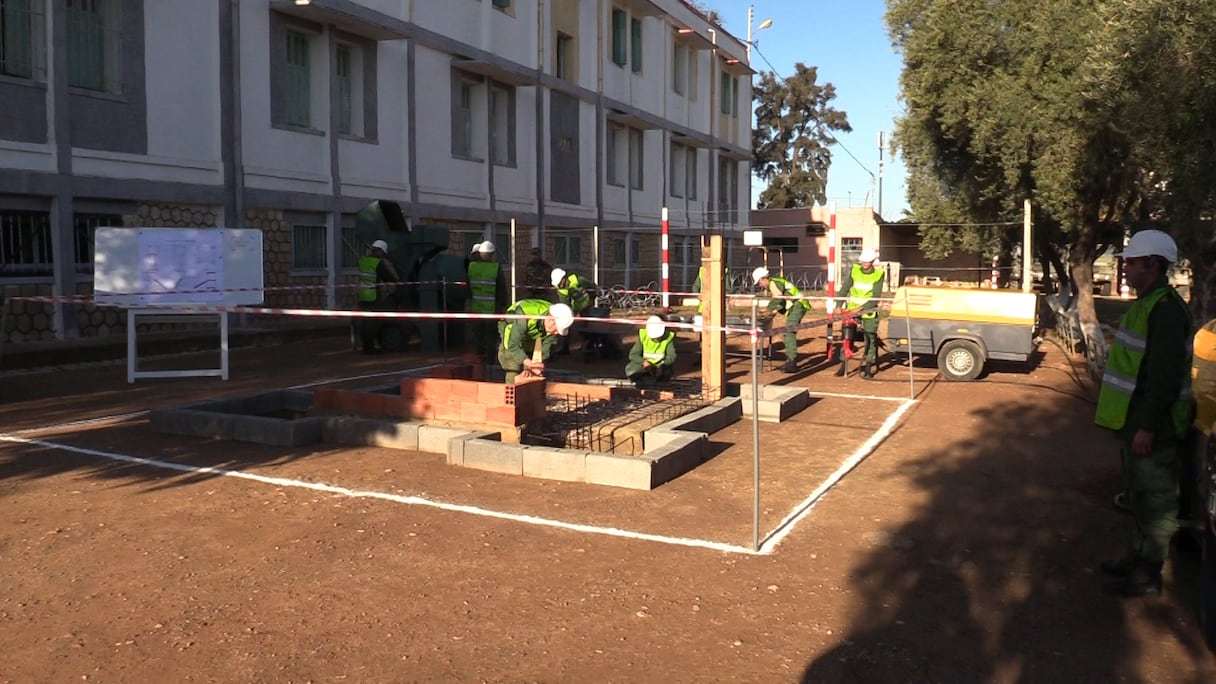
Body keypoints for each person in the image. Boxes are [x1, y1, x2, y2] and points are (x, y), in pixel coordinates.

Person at [1095, 229, 1193, 597]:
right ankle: (1136, 559)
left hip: (1157, 426)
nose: (1126, 268)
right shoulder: (1148, 303)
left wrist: (1148, 427)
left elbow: (1164, 378)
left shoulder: (1166, 311)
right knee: (1139, 494)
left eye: (1133, 262)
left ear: (1153, 265)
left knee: (1157, 499)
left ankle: (1148, 575)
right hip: (1136, 420)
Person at [836, 249, 887, 379]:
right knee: (847, 338)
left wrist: (860, 309)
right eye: (863, 261)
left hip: (869, 311)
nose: (865, 263)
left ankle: (868, 367)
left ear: (872, 262)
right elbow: (844, 289)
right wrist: (838, 305)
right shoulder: (855, 270)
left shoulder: (878, 274)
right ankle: (843, 365)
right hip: (852, 310)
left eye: (868, 261)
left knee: (870, 339)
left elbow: (876, 296)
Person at [497, 299, 574, 384]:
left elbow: (545, 350)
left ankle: (528, 390)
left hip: (532, 333)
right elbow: (513, 345)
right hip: (512, 329)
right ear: (551, 320)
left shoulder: (555, 319)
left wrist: (534, 367)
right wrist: (527, 362)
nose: (557, 333)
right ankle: (511, 385)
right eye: (557, 330)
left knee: (529, 373)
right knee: (512, 365)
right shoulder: (524, 315)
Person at [752, 266, 807, 373]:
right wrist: (773, 311)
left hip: (798, 305)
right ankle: (790, 360)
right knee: (787, 332)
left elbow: (778, 298)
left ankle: (792, 362)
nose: (760, 285)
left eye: (759, 282)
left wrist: (768, 309)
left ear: (764, 279)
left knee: (788, 332)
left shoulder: (773, 284)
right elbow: (781, 301)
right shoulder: (776, 283)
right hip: (796, 305)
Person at [356, 239, 400, 354]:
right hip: (373, 296)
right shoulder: (378, 263)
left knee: (364, 322)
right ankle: (370, 348)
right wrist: (399, 282)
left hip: (363, 295)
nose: (383, 256)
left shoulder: (363, 260)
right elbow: (387, 277)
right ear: (379, 251)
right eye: (383, 253)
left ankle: (366, 346)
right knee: (372, 323)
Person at [467, 241, 509, 361]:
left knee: (478, 335)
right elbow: (502, 288)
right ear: (491, 254)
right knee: (491, 335)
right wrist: (504, 305)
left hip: (476, 307)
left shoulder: (472, 267)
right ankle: (490, 360)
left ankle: (479, 359)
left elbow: (468, 287)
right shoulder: (495, 267)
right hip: (492, 308)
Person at [551, 268, 596, 355]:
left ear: (564, 278)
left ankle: (586, 346)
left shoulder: (576, 279)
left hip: (586, 304)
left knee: (584, 326)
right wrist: (568, 315)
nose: (559, 285)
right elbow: (565, 305)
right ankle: (565, 348)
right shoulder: (561, 290)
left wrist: (592, 298)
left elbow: (592, 286)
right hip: (575, 307)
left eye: (560, 282)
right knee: (566, 325)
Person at [626, 316, 677, 386]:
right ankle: (642, 380)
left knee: (667, 372)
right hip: (646, 364)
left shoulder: (668, 337)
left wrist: (662, 365)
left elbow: (671, 356)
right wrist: (644, 362)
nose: (657, 338)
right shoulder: (644, 336)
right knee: (632, 370)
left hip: (660, 365)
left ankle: (661, 383)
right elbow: (633, 354)